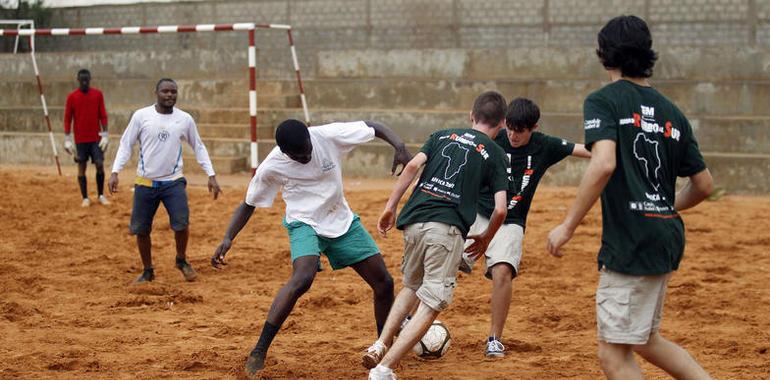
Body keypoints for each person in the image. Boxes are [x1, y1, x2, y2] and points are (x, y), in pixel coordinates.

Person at [546, 15, 713, 380]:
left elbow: (603, 164)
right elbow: (703, 185)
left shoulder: (604, 101)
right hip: (665, 236)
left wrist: (567, 225)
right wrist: (665, 207)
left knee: (612, 354)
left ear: (604, 56)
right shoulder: (673, 113)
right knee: (645, 338)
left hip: (631, 243)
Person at [210, 118, 411, 376]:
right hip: (304, 222)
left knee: (384, 283)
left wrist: (400, 146)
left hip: (340, 218)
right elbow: (248, 204)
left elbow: (374, 126)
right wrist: (228, 238)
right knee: (303, 278)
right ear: (284, 152)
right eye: (299, 156)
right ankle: (259, 350)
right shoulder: (272, 165)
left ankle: (383, 347)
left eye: (308, 150)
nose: (306, 157)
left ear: (309, 136)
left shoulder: (326, 136)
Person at [364, 91, 511, 380]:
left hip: (416, 221)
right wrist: (486, 237)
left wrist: (390, 206)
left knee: (411, 285)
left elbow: (411, 166)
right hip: (447, 229)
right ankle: (383, 369)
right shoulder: (495, 153)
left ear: (472, 115)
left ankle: (380, 344)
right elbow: (501, 209)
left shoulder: (442, 135)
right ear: (503, 124)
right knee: (432, 304)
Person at [459, 97, 591, 357]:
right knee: (444, 262)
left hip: (511, 220)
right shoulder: (494, 138)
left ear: (534, 128)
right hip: (478, 213)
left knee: (502, 272)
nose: (512, 135)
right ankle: (410, 318)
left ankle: (494, 339)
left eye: (519, 131)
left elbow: (585, 150)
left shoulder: (545, 145)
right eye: (509, 128)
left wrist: (618, 152)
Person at [108, 78, 221, 284]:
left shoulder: (184, 119)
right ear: (156, 93)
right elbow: (126, 144)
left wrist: (211, 174)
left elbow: (199, 146)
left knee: (181, 223)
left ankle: (181, 260)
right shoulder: (141, 116)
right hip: (145, 182)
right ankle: (147, 270)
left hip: (173, 182)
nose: (170, 95)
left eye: (173, 92)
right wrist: (115, 171)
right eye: (165, 91)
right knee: (141, 229)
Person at [64, 69, 110, 207]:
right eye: (82, 80)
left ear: (90, 79)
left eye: (87, 80)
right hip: (80, 140)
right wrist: (67, 138)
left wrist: (105, 134)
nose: (84, 82)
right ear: (78, 80)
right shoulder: (72, 97)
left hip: (95, 138)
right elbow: (68, 118)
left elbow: (103, 115)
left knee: (100, 165)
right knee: (81, 167)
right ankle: (85, 197)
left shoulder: (97, 94)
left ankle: (101, 195)